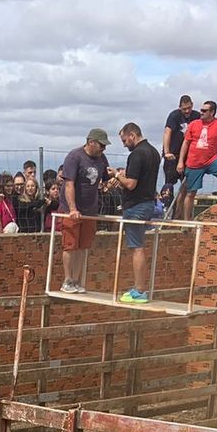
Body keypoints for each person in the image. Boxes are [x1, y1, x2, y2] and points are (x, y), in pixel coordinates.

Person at [57, 129, 111, 293]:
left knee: (83, 246)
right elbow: (69, 184)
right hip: (71, 209)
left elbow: (105, 179)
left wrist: (113, 179)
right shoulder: (75, 157)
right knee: (70, 245)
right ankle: (67, 280)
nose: (103, 149)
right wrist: (72, 209)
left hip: (90, 210)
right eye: (101, 145)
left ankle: (75, 280)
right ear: (91, 142)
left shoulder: (102, 159)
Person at [114, 122, 162, 304]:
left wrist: (116, 175)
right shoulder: (154, 152)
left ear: (132, 135)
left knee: (137, 248)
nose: (124, 144)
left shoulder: (137, 154)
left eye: (125, 140)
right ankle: (139, 289)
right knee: (138, 246)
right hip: (148, 203)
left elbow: (131, 184)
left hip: (136, 206)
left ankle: (139, 290)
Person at [161, 94, 199, 214]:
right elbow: (167, 132)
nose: (187, 111)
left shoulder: (197, 116)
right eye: (184, 109)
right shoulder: (174, 116)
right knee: (169, 185)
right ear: (179, 107)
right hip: (173, 156)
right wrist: (167, 152)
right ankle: (167, 211)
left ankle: (179, 214)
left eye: (189, 108)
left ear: (192, 105)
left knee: (187, 187)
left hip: (188, 158)